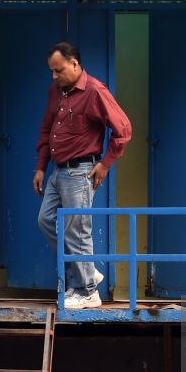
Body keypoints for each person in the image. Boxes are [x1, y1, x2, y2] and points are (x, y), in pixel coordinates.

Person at [34, 42, 131, 308]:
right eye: (52, 72)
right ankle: (88, 273)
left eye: (59, 70)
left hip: (81, 171)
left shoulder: (95, 91)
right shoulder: (56, 92)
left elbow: (123, 130)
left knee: (77, 230)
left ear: (75, 63)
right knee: (46, 220)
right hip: (57, 169)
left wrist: (106, 164)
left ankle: (88, 291)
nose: (54, 77)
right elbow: (46, 129)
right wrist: (41, 166)